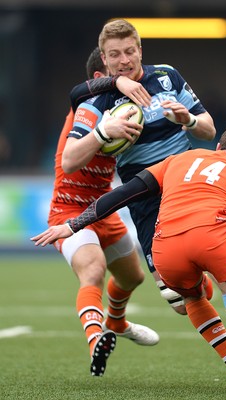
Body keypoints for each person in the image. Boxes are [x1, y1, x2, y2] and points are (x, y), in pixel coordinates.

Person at [66, 19, 226, 388]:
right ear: (104, 58)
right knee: (183, 300)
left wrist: (187, 120)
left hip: (190, 186)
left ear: (140, 51)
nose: (124, 60)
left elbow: (209, 129)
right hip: (146, 201)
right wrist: (105, 133)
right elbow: (70, 159)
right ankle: (204, 293)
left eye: (130, 51)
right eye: (115, 55)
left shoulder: (167, 77)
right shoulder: (96, 100)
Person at [31, 124, 226, 396]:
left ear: (218, 147)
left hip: (165, 248)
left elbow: (124, 193)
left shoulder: (179, 159)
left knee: (193, 298)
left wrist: (74, 224)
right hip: (215, 240)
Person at [45, 47, 159, 378]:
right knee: (93, 270)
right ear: (102, 78)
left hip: (102, 208)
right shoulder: (86, 108)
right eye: (122, 79)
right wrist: (101, 132)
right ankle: (96, 340)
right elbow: (70, 156)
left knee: (133, 277)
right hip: (67, 209)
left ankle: (116, 322)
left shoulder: (126, 110)